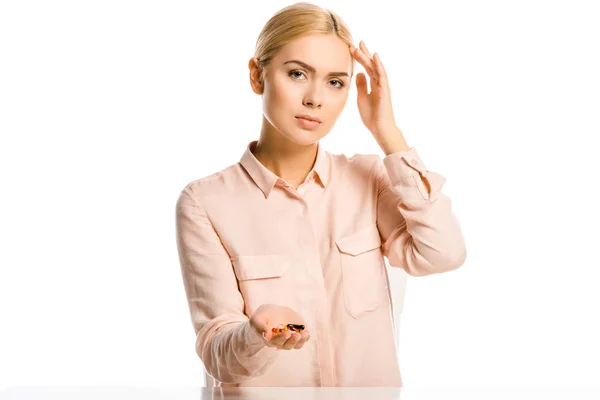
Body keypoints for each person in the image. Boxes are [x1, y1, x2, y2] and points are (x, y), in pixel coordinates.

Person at [175, 1, 467, 388]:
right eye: (298, 73)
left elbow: (441, 254)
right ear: (257, 76)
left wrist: (387, 132)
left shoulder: (370, 178)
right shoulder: (205, 202)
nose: (316, 98)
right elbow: (218, 356)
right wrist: (254, 333)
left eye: (335, 82)